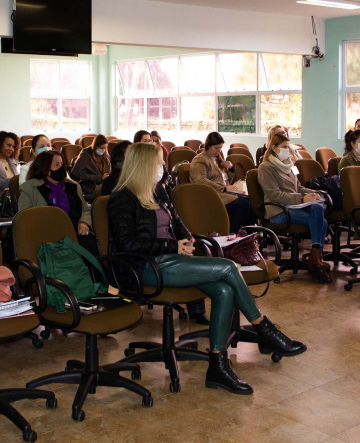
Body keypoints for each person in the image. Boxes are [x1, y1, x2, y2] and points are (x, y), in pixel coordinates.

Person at [107, 143, 305, 395]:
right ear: (144, 166)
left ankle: (218, 365)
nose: (162, 168)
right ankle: (264, 328)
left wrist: (187, 240)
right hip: (145, 267)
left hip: (171, 261)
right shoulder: (121, 198)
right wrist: (172, 246)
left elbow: (176, 222)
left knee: (223, 291)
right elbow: (127, 243)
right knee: (227, 268)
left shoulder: (157, 191)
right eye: (158, 163)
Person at [257, 133, 332, 283]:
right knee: (321, 222)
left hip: (294, 207)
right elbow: (274, 195)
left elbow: (298, 188)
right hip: (278, 211)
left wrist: (313, 194)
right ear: (274, 147)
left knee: (318, 210)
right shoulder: (266, 167)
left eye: (288, 147)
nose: (287, 150)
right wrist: (302, 198)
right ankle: (316, 260)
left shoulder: (288, 165)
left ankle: (316, 257)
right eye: (284, 147)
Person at [18, 151, 99, 257]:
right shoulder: (30, 188)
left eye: (62, 164)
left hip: (77, 233)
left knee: (92, 248)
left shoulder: (73, 186)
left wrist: (84, 223)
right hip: (49, 239)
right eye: (56, 165)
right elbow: (24, 218)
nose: (61, 168)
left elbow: (85, 209)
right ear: (45, 169)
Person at [190, 132, 256, 233]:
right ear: (208, 146)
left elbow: (226, 181)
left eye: (220, 147)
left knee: (250, 202)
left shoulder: (218, 159)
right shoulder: (200, 160)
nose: (219, 150)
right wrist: (224, 188)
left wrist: (231, 170)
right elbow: (200, 181)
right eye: (216, 148)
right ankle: (231, 233)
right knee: (243, 204)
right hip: (212, 196)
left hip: (224, 193)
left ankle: (247, 236)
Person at [71, 134, 111, 201]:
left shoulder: (106, 156)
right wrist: (100, 177)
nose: (103, 150)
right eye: (101, 148)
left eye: (105, 148)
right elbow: (82, 176)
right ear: (95, 146)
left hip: (104, 186)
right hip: (89, 188)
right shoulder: (85, 156)